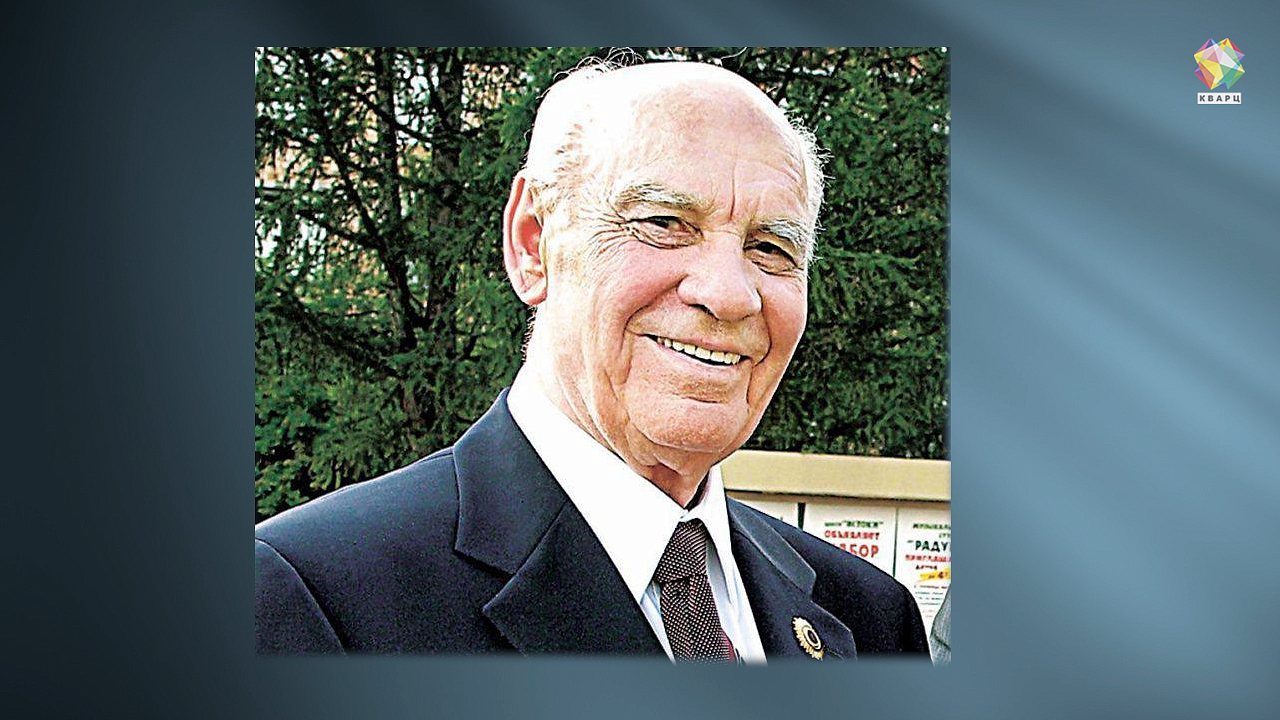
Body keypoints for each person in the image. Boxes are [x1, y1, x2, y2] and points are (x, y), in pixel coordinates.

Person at [255, 60, 930, 660]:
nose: (729, 293)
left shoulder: (869, 617)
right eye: (664, 224)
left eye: (771, 249)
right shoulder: (314, 600)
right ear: (532, 244)